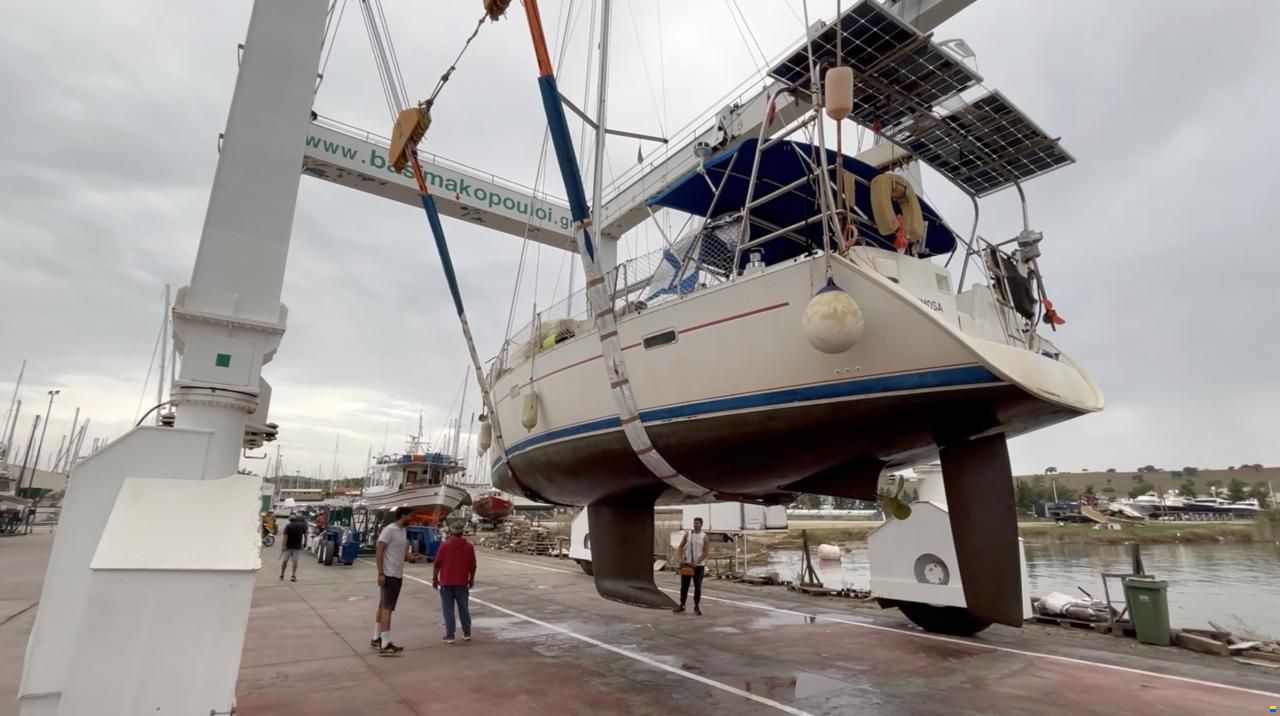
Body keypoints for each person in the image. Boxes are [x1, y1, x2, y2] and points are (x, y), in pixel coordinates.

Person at [373, 506, 422, 655]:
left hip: (397, 573)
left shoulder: (402, 531)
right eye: (410, 516)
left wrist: (411, 558)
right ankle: (385, 643)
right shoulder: (389, 530)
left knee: (383, 606)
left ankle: (377, 638)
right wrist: (381, 573)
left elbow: (402, 552)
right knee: (388, 608)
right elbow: (379, 551)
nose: (411, 519)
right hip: (389, 574)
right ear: (403, 516)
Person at [432, 520, 476, 644]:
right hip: (462, 583)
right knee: (464, 608)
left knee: (448, 609)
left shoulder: (445, 545)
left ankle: (450, 635)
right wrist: (471, 579)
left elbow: (437, 564)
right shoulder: (469, 546)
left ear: (451, 531)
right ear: (463, 531)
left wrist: (435, 579)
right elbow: (473, 565)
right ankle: (467, 632)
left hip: (446, 583)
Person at [673, 516, 709, 615]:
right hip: (687, 564)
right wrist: (680, 559)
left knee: (697, 586)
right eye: (694, 523)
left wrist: (696, 562)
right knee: (684, 586)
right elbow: (680, 547)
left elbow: (705, 552)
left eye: (697, 523)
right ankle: (682, 605)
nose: (695, 525)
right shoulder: (688, 534)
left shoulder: (704, 537)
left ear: (701, 524)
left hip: (698, 566)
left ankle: (696, 607)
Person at [279, 513, 307, 582]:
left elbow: (285, 537)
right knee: (295, 561)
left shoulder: (288, 526)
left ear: (290, 520)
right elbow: (306, 535)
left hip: (288, 546)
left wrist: (283, 546)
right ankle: (293, 576)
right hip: (297, 546)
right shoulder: (302, 526)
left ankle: (282, 575)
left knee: (285, 561)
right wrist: (305, 543)